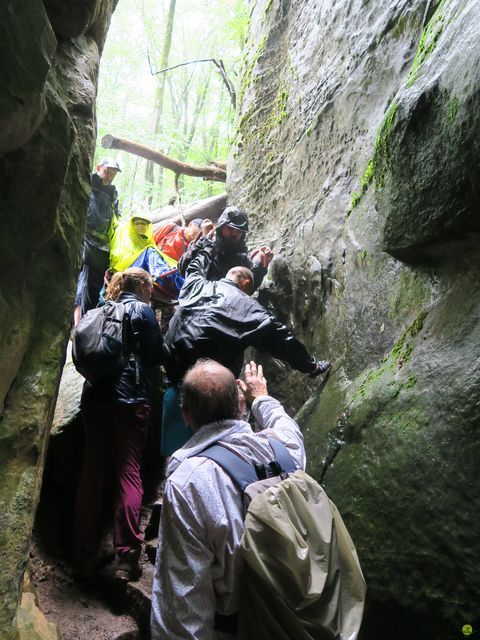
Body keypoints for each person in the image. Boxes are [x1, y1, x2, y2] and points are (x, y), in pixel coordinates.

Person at [151, 360, 307, 639]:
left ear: (185, 415)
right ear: (241, 404)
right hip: (299, 618)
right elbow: (286, 425)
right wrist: (261, 397)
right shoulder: (284, 450)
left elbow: (183, 600)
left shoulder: (189, 483)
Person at [160, 248, 330, 455]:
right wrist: (310, 365)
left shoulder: (196, 285)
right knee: (215, 455)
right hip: (212, 395)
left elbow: (195, 266)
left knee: (176, 458)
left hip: (173, 386)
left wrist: (206, 244)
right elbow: (281, 337)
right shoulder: (247, 308)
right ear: (247, 284)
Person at [74, 267, 163, 581]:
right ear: (141, 286)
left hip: (95, 398)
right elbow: (155, 355)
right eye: (150, 289)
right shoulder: (142, 309)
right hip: (131, 399)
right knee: (129, 471)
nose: (151, 294)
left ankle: (84, 551)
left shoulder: (99, 311)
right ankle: (126, 559)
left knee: (92, 471)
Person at [178, 205, 273, 291]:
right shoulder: (204, 243)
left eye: (239, 231)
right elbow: (183, 268)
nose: (234, 234)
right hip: (201, 298)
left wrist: (262, 265)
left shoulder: (241, 257)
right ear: (221, 227)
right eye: (230, 229)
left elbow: (248, 289)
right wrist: (205, 242)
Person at [75, 157, 121, 321]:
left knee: (94, 289)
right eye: (108, 170)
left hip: (102, 248)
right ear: (98, 168)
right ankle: (77, 324)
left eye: (113, 172)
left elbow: (116, 221)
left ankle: (86, 325)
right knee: (82, 285)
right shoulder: (88, 184)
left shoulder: (114, 194)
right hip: (85, 241)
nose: (110, 175)